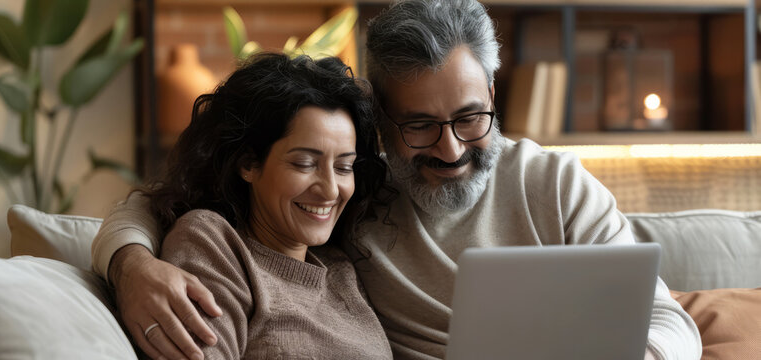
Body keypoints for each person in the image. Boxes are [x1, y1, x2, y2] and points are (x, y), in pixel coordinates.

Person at [92, 1, 702, 359]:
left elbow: (670, 321)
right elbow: (170, 206)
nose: (450, 147)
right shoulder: (359, 193)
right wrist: (130, 264)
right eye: (419, 125)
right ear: (379, 115)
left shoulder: (555, 183)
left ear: (492, 91)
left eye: (469, 118)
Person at [109, 52, 392, 359]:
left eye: (344, 167)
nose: (330, 190)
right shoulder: (214, 243)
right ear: (248, 164)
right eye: (305, 163)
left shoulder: (340, 268)